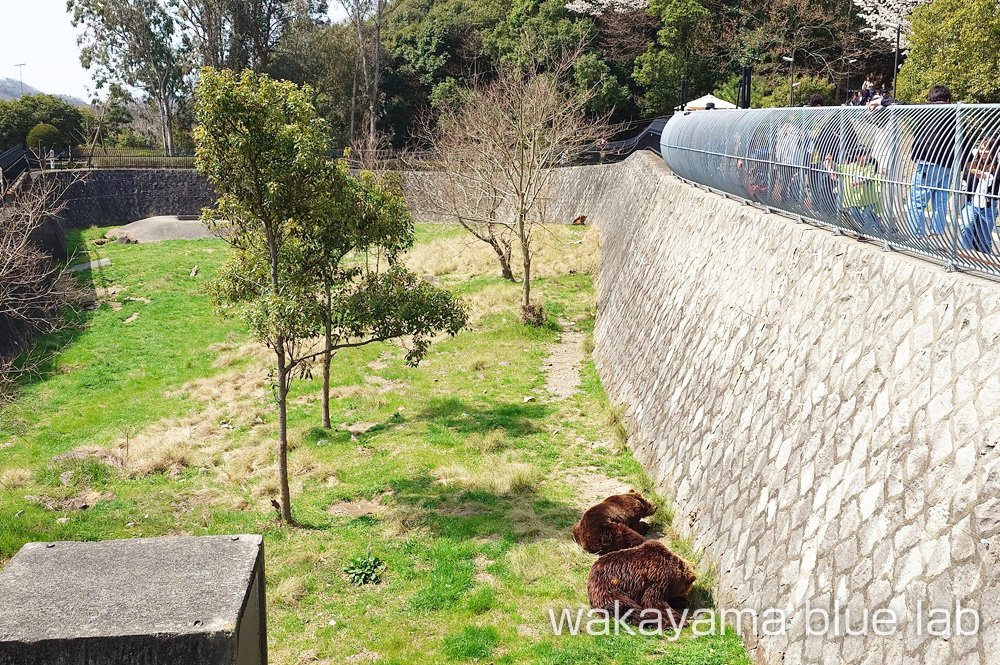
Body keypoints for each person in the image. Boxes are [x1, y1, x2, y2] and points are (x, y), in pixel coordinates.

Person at [906, 85, 956, 243]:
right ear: (948, 99)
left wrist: (882, 100)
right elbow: (964, 140)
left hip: (928, 163)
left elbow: (901, 105)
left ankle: (916, 237)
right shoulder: (955, 112)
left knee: (916, 201)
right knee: (940, 203)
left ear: (930, 99)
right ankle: (936, 237)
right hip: (947, 165)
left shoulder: (925, 111)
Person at [806, 93, 859, 219]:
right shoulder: (815, 121)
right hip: (816, 161)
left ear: (818, 106)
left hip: (830, 160)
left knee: (827, 188)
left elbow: (851, 139)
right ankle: (822, 214)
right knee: (817, 189)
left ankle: (831, 215)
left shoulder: (833, 117)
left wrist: (842, 159)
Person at [959, 138, 1000, 253]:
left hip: (988, 205)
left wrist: (986, 176)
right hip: (971, 203)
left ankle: (984, 258)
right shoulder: (971, 164)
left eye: (987, 149)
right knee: (966, 225)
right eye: (982, 149)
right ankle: (966, 253)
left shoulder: (997, 167)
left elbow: (996, 182)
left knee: (984, 237)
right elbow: (965, 182)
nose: (983, 152)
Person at [834, 147, 883, 236]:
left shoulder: (870, 167)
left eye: (868, 155)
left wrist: (857, 183)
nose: (867, 157)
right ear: (858, 157)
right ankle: (874, 228)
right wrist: (830, 162)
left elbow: (868, 178)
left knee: (866, 214)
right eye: (864, 155)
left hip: (869, 197)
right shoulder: (851, 167)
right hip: (854, 198)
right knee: (854, 212)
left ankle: (865, 233)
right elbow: (839, 168)